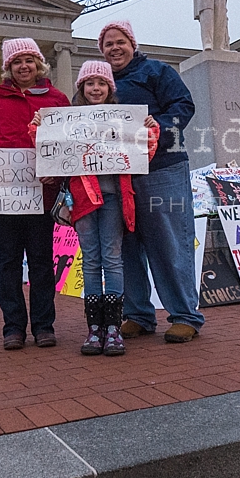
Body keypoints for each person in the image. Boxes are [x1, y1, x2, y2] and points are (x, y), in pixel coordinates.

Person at [30, 61, 159, 356]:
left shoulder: (124, 118)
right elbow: (46, 147)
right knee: (90, 260)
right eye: (90, 83)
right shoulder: (67, 119)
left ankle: (113, 327)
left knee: (112, 258)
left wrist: (150, 129)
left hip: (114, 197)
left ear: (109, 89)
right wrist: (39, 125)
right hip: (83, 198)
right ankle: (95, 329)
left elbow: (145, 152)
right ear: (82, 88)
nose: (96, 88)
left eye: (102, 83)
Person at [98, 20, 205, 342]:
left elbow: (183, 106)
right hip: (120, 174)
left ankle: (185, 315)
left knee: (169, 242)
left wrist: (155, 124)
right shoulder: (99, 83)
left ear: (132, 43)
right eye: (108, 44)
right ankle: (138, 315)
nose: (114, 48)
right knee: (125, 248)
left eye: (120, 42)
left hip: (162, 169)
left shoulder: (158, 72)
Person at [0, 38, 71, 350]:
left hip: (42, 193)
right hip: (3, 195)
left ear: (39, 64)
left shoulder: (57, 99)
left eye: (29, 60)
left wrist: (59, 169)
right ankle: (13, 327)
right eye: (16, 62)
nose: (23, 66)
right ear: (8, 68)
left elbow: (70, 143)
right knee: (8, 263)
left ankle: (43, 326)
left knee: (40, 262)